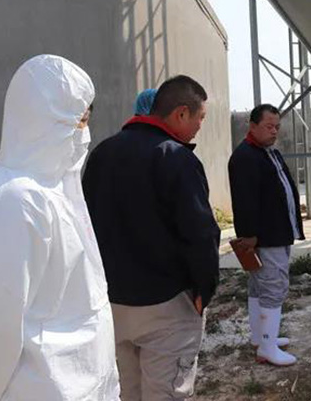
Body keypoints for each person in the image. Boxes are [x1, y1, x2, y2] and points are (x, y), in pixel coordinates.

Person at [0, 55, 120, 400]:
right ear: (44, 118)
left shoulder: (55, 190)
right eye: (78, 121)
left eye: (85, 121)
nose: (83, 133)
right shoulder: (10, 200)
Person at [82, 74, 220, 400]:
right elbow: (200, 233)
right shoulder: (177, 158)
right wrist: (205, 288)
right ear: (181, 113)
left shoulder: (102, 153)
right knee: (165, 392)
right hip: (166, 306)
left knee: (126, 391)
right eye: (200, 118)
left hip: (111, 302)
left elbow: (84, 223)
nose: (200, 127)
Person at [228, 104, 305, 367]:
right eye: (268, 126)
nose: (274, 131)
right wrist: (249, 234)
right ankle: (267, 347)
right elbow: (244, 200)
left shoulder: (268, 152)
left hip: (276, 232)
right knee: (273, 287)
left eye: (277, 127)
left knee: (259, 287)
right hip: (265, 236)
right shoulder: (245, 157)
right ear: (252, 126)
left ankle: (260, 337)